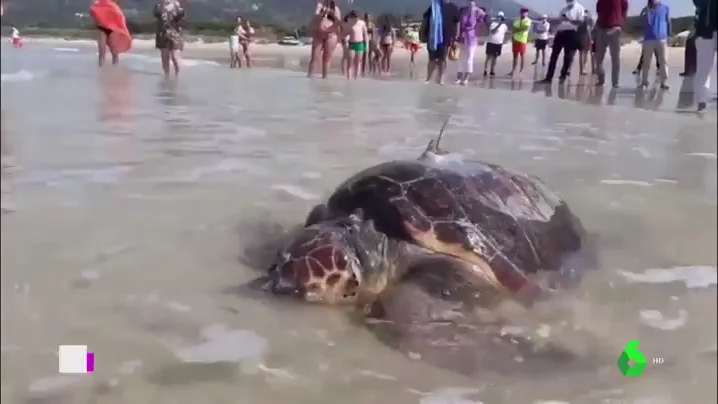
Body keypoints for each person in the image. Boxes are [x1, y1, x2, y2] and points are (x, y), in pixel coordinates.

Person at [538, 0, 586, 84]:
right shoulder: (564, 9)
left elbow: (581, 21)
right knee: (554, 55)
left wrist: (569, 20)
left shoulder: (580, 8)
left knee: (567, 56)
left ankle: (563, 75)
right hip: (560, 32)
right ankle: (549, 77)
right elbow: (559, 20)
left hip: (571, 32)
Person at [422, 0, 461, 84]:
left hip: (445, 38)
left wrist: (456, 36)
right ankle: (428, 78)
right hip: (432, 38)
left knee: (442, 59)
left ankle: (441, 78)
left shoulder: (453, 7)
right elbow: (425, 19)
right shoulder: (434, 6)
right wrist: (423, 34)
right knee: (431, 59)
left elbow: (458, 22)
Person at [594, 0, 629, 88]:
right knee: (599, 58)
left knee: (615, 58)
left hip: (615, 28)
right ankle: (601, 79)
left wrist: (620, 25)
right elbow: (598, 10)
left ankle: (615, 82)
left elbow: (625, 9)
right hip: (601, 28)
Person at [639, 0, 670, 90]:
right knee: (646, 62)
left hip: (662, 39)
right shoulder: (646, 10)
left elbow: (668, 22)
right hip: (648, 39)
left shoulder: (665, 8)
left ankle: (663, 82)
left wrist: (669, 35)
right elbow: (640, 23)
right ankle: (644, 81)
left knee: (663, 61)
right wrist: (644, 13)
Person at [693, 0, 717, 111]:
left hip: (706, 32)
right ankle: (701, 102)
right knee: (704, 69)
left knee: (704, 69)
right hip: (705, 32)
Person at [308, 0, 341, 79]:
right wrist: (321, 14)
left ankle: (325, 78)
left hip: (331, 35)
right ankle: (309, 77)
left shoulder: (336, 9)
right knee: (314, 57)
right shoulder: (319, 7)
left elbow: (338, 23)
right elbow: (315, 19)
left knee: (327, 58)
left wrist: (333, 15)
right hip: (318, 34)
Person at [454, 0, 484, 85]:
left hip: (472, 37)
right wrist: (457, 35)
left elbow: (485, 20)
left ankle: (466, 77)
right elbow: (458, 23)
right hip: (462, 36)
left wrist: (479, 26)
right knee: (460, 58)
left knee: (469, 58)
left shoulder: (478, 11)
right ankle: (459, 77)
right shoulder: (463, 11)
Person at [153, 0, 185, 76]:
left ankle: (178, 74)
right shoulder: (158, 5)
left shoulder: (177, 5)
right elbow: (156, 15)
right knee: (164, 56)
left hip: (175, 34)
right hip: (162, 33)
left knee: (174, 56)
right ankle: (166, 76)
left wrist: (177, 10)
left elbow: (181, 17)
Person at [344, 11, 368, 79]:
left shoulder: (362, 23)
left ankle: (356, 78)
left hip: (360, 43)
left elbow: (365, 35)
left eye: (357, 17)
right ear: (352, 16)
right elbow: (347, 33)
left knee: (358, 62)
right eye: (354, 17)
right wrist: (346, 38)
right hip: (351, 43)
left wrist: (366, 46)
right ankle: (348, 78)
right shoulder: (349, 23)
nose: (356, 18)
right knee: (350, 62)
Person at [483, 11, 508, 77]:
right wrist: (499, 25)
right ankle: (485, 70)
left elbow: (504, 33)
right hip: (491, 42)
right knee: (488, 57)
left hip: (498, 44)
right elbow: (492, 31)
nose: (500, 18)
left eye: (501, 17)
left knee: (495, 58)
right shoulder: (493, 24)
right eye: (499, 17)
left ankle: (492, 70)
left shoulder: (504, 26)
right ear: (497, 17)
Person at [508, 8, 531, 77]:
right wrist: (518, 30)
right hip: (515, 39)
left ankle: (521, 70)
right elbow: (513, 29)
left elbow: (525, 28)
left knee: (522, 56)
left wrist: (517, 30)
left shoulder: (528, 20)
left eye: (526, 12)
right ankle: (513, 70)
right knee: (515, 56)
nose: (524, 13)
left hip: (522, 40)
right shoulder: (517, 20)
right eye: (523, 12)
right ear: (521, 12)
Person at [577, 10, 594, 75]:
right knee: (585, 54)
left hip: (581, 37)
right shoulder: (588, 20)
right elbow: (589, 30)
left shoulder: (580, 20)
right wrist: (590, 39)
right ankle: (583, 69)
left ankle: (581, 69)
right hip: (585, 37)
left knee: (581, 54)